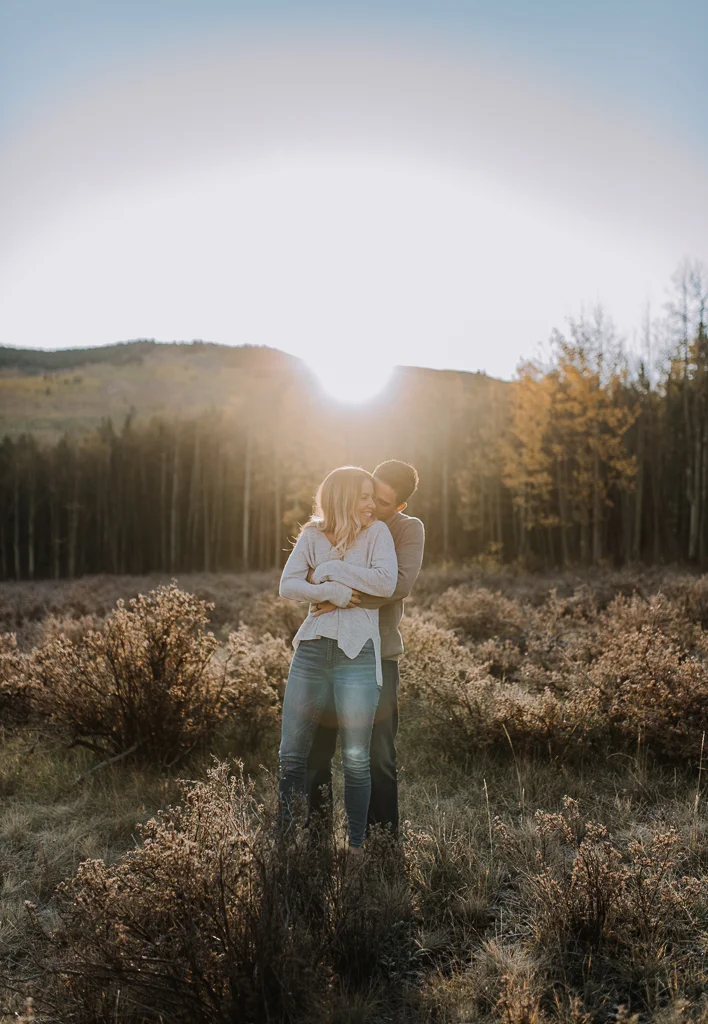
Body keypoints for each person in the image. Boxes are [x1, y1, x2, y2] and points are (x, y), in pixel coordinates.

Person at [278, 465, 398, 854]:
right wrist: (336, 592)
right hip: (312, 650)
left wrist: (330, 572)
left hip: (357, 653)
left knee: (356, 759)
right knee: (291, 756)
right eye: (363, 497)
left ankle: (357, 849)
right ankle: (286, 846)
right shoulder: (312, 535)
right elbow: (287, 585)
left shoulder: (377, 533)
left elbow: (386, 582)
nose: (370, 504)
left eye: (372, 497)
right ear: (343, 498)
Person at [307, 460, 425, 836]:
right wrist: (327, 590)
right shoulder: (345, 516)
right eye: (371, 492)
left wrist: (337, 596)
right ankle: (314, 838)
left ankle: (382, 842)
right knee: (315, 749)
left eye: (385, 503)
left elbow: (397, 586)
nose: (373, 504)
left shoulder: (408, 529)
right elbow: (313, 571)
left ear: (400, 507)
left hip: (378, 652)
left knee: (378, 756)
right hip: (327, 649)